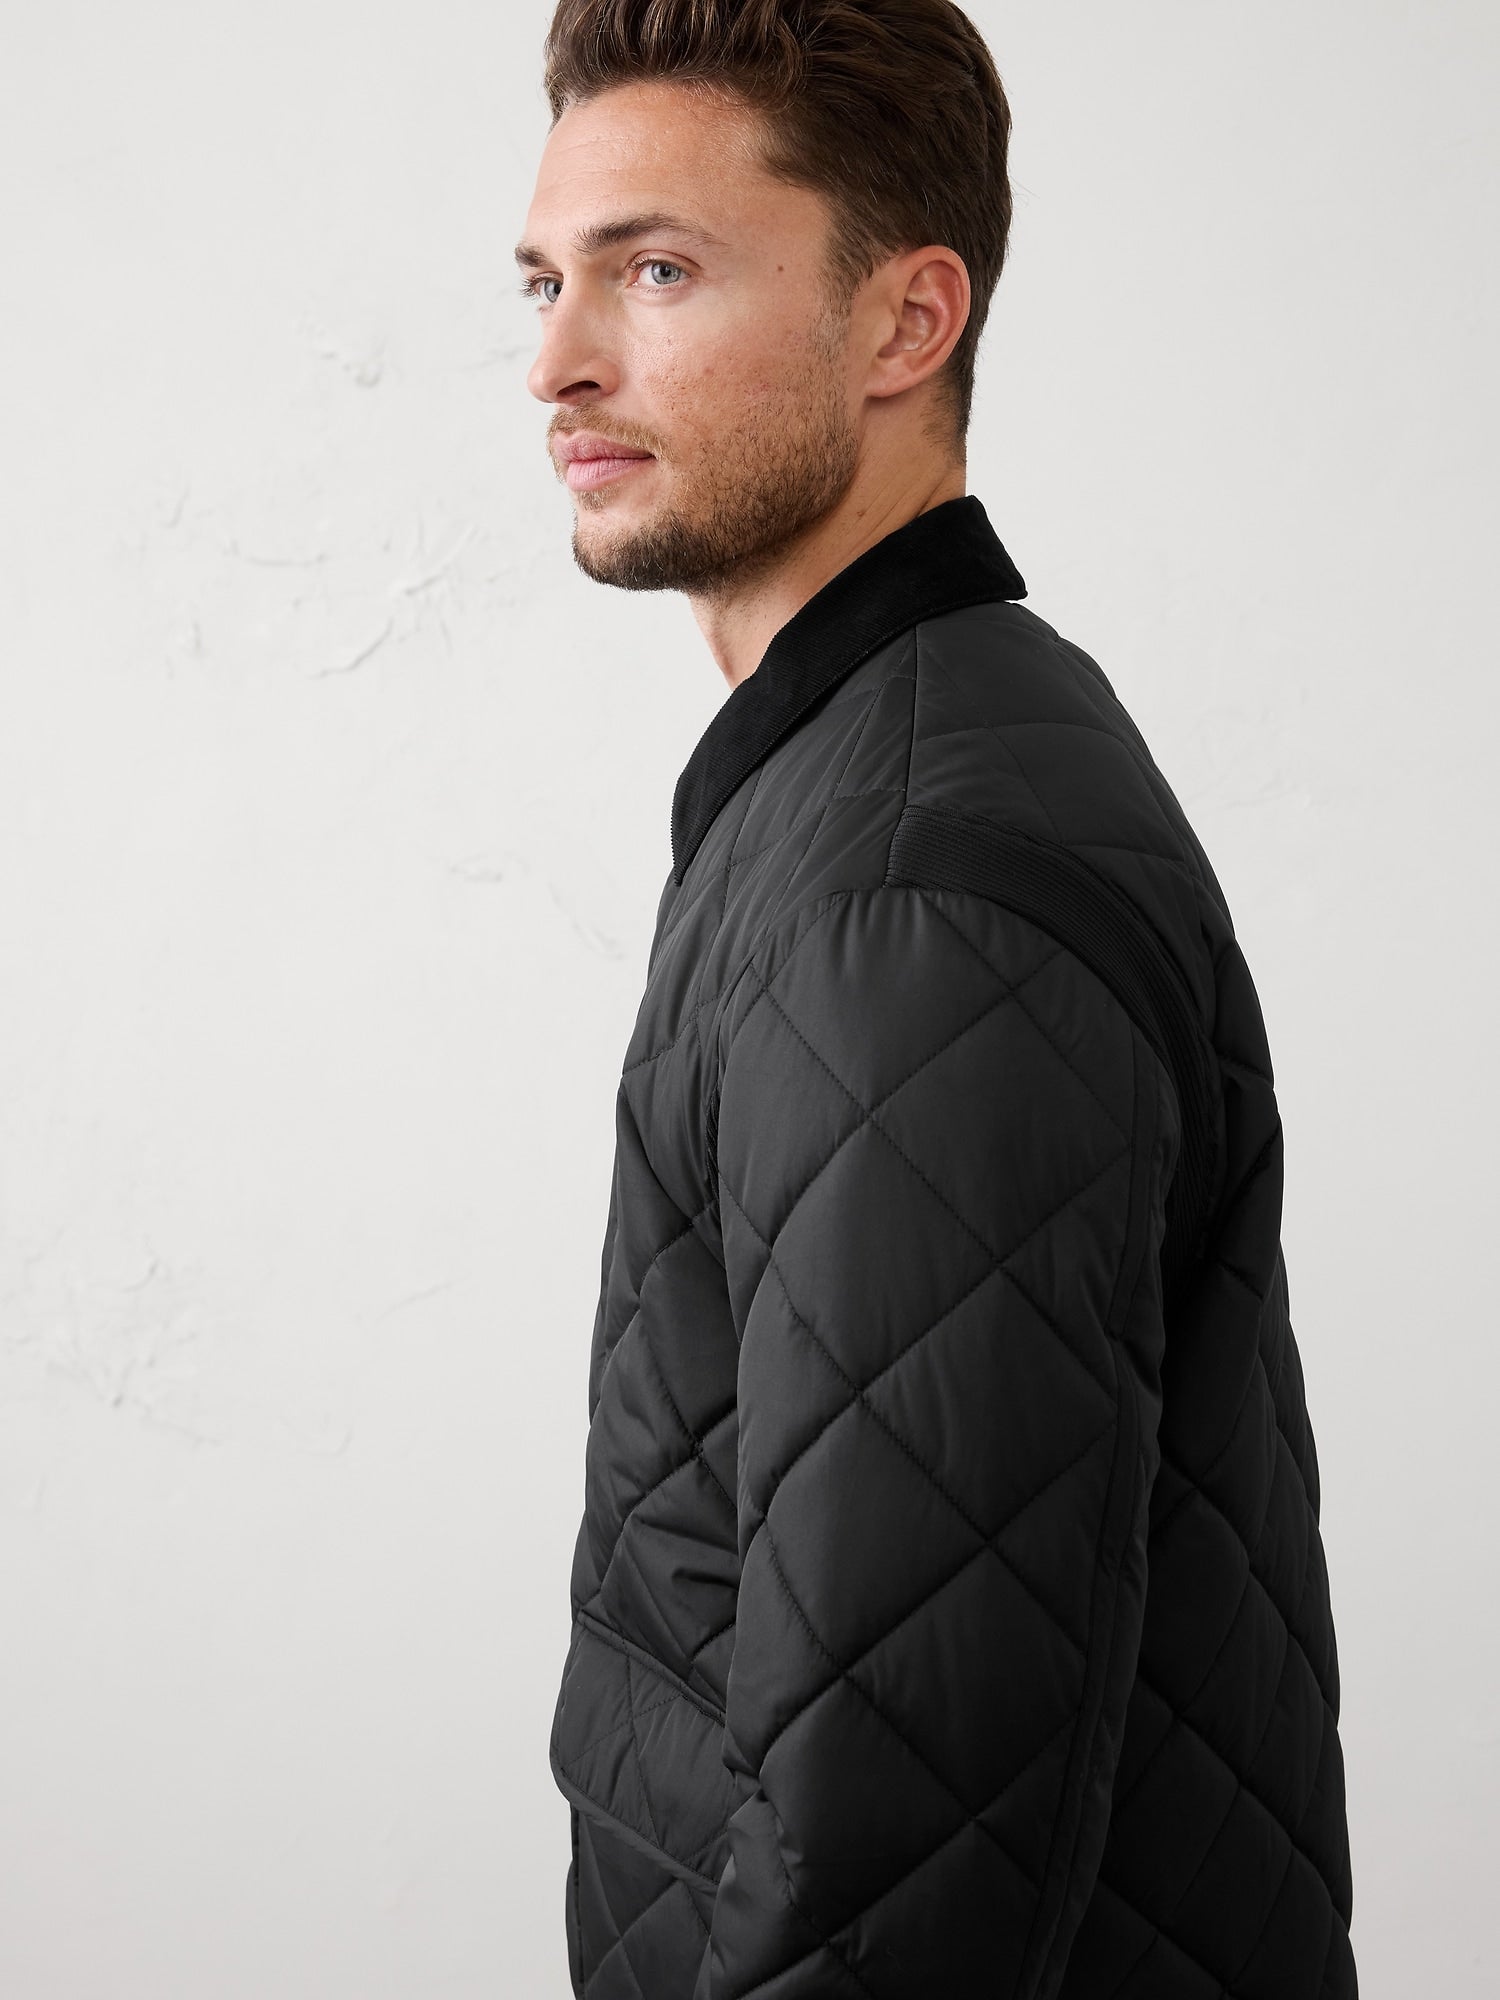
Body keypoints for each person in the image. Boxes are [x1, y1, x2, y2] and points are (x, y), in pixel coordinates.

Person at [516, 3, 1357, 1995]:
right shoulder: (868, 784)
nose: (559, 361)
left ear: (907, 321)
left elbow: (904, 1831)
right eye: (545, 281)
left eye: (657, 270)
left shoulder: (904, 889)